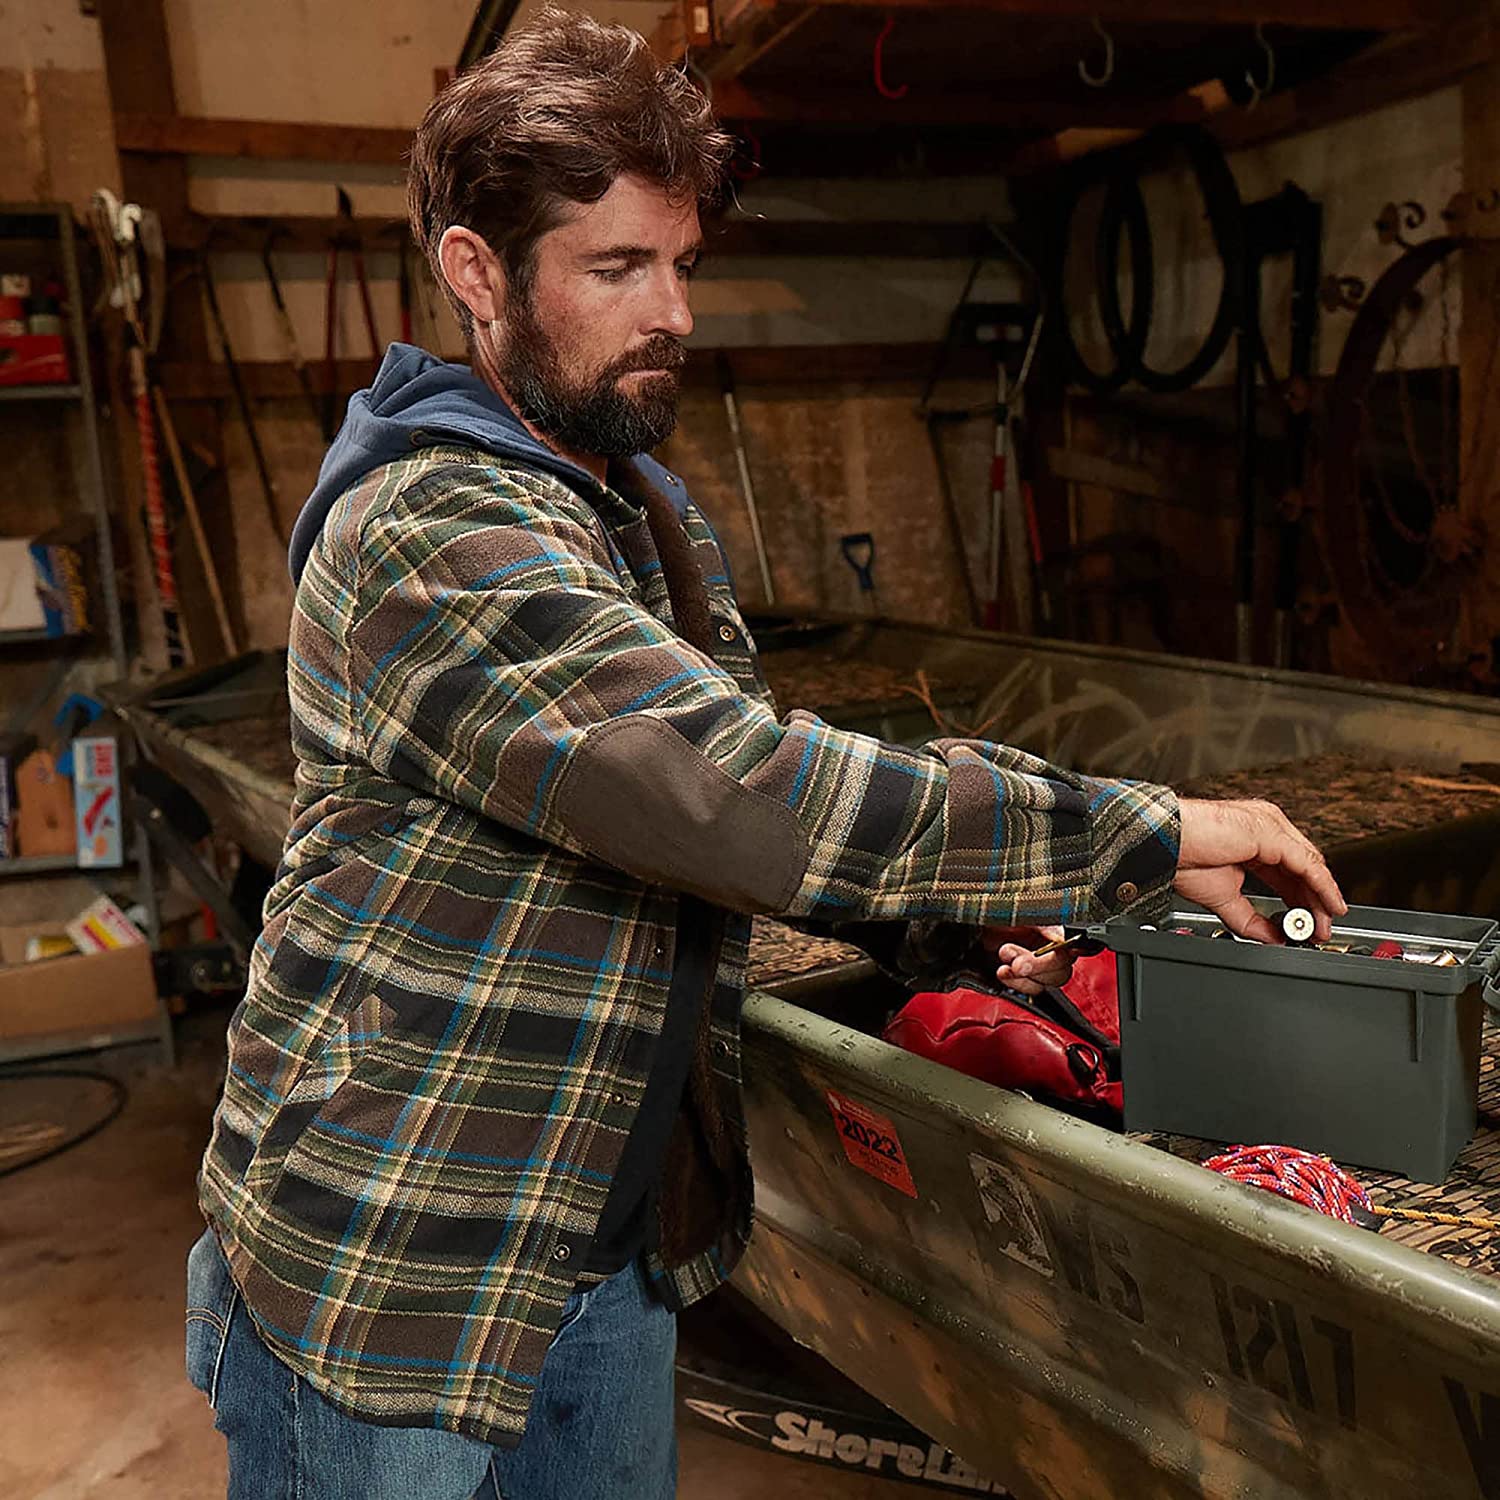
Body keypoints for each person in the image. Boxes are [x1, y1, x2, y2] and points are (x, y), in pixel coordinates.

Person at [183, 11, 1346, 1499]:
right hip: (399, 1261)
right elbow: (736, 794)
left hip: (603, 1245)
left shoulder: (637, 510)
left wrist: (956, 923)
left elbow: (739, 812)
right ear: (477, 273)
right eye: (618, 267)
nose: (672, 311)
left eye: (682, 264)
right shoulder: (430, 528)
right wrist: (1146, 830)